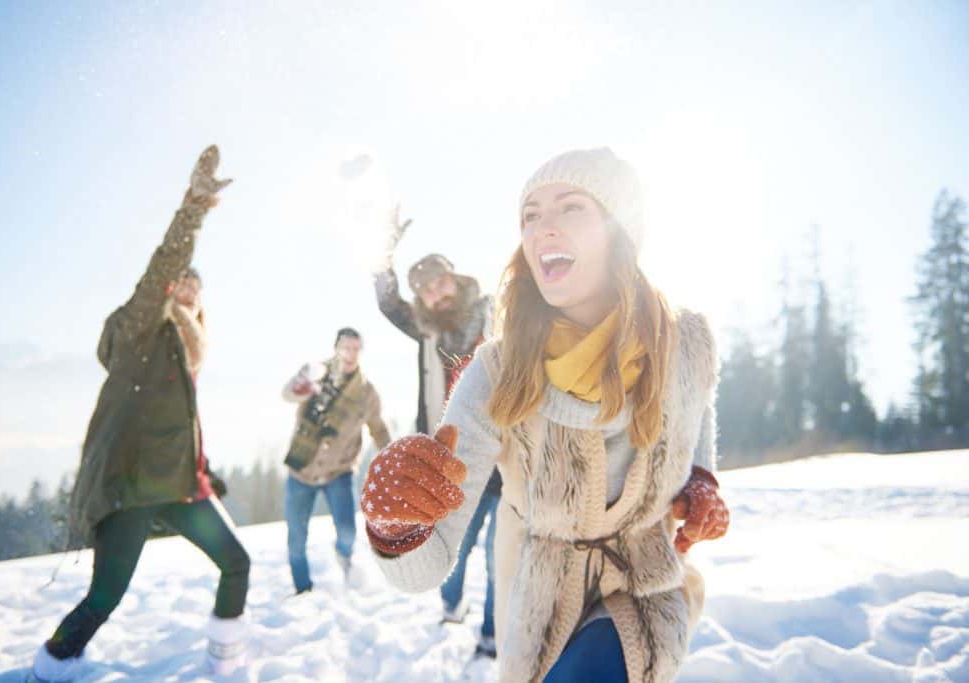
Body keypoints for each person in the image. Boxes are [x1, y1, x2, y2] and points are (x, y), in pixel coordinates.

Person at [361, 148, 730, 682]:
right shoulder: (492, 365)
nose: (542, 229)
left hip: (646, 584)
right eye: (530, 216)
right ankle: (479, 622)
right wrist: (398, 523)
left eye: (571, 208)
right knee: (482, 550)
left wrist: (700, 477)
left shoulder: (687, 341)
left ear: (619, 227)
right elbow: (423, 568)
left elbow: (700, 401)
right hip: (533, 570)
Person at [32, 146, 251, 682]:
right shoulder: (140, 330)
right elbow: (162, 272)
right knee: (104, 599)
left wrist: (205, 467)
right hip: (129, 487)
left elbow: (172, 422)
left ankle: (224, 662)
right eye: (182, 286)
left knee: (237, 563)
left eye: (197, 289)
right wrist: (193, 207)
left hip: (178, 485)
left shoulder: (186, 353)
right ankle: (51, 665)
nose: (188, 291)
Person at [374, 218, 501, 655]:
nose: (436, 292)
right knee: (456, 545)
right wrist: (382, 256)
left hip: (508, 453)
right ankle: (452, 604)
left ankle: (492, 632)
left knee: (500, 555)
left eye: (440, 281)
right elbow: (389, 304)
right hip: (454, 459)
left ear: (456, 278)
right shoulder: (427, 330)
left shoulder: (495, 312)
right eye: (425, 289)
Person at [281, 327, 391, 594]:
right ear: (336, 348)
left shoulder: (366, 392)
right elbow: (288, 394)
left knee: (347, 532)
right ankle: (302, 589)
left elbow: (378, 428)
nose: (350, 354)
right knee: (296, 538)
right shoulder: (317, 373)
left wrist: (392, 457)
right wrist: (301, 386)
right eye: (346, 347)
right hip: (302, 469)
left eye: (356, 348)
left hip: (339, 472)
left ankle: (343, 555)